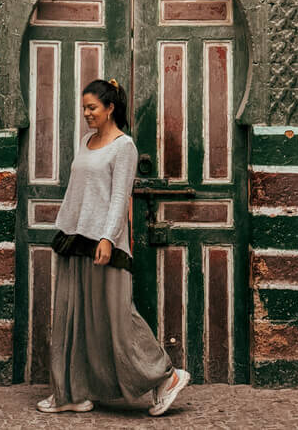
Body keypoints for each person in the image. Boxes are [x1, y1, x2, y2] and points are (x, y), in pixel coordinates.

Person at [37, 78, 190, 416]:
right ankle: (71, 393)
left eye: (92, 108)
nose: (87, 114)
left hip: (105, 243)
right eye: (84, 108)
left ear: (110, 108)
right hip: (74, 238)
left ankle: (167, 377)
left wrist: (107, 237)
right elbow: (78, 190)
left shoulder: (124, 147)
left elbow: (120, 198)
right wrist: (65, 228)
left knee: (118, 319)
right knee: (70, 317)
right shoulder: (86, 141)